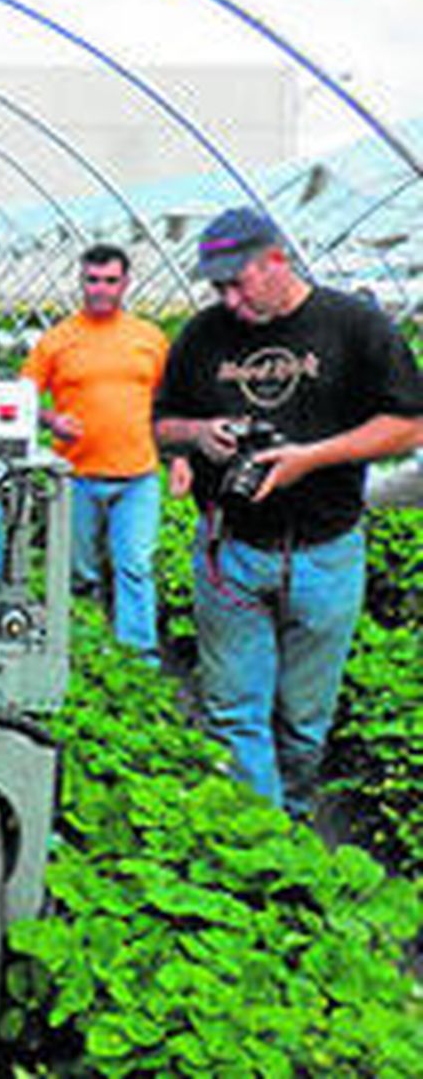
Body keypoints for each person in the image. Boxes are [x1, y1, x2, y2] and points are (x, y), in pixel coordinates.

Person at [153, 207, 423, 818]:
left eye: (237, 282)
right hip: (232, 552)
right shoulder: (202, 336)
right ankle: (258, 849)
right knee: (232, 714)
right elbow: (161, 425)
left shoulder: (354, 327)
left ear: (276, 260)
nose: (228, 299)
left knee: (303, 722)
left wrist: (312, 458)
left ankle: (293, 828)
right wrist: (200, 433)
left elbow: (409, 427)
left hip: (326, 554)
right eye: (217, 286)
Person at [22, 245, 167, 659]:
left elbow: (172, 399)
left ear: (125, 283)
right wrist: (52, 421)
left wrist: (182, 459)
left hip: (138, 476)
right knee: (76, 571)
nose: (100, 289)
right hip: (75, 477)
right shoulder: (57, 340)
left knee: (135, 566)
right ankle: (83, 649)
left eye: (110, 281)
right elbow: (21, 397)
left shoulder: (149, 338)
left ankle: (139, 657)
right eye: (92, 280)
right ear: (81, 281)